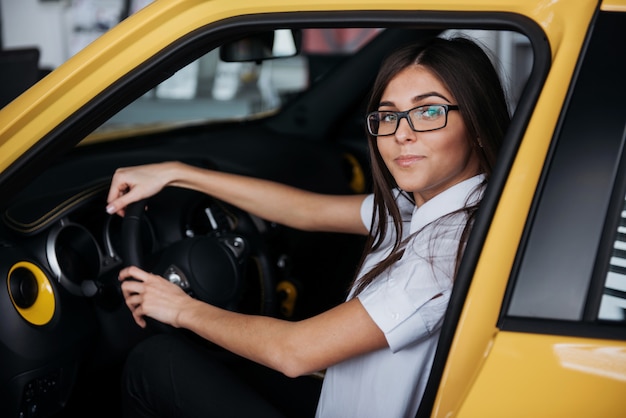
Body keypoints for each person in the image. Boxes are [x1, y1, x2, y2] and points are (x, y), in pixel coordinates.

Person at [106, 36, 510, 418]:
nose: (401, 133)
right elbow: (306, 212)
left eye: (428, 111)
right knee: (215, 360)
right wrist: (179, 174)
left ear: (475, 124)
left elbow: (295, 352)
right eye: (388, 115)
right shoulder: (431, 207)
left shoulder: (444, 249)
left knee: (154, 364)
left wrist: (180, 308)